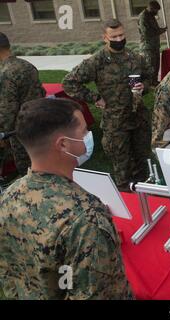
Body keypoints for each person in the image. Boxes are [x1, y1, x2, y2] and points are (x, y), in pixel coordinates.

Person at [0, 98, 132, 299]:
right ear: (63, 144)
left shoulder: (9, 195)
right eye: (85, 131)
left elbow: (10, 271)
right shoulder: (86, 218)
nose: (88, 136)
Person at [63, 19, 152, 191]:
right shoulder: (97, 61)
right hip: (116, 122)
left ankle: (146, 192)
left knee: (142, 161)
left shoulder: (135, 58)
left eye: (121, 35)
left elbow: (149, 77)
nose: (119, 39)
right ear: (105, 37)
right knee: (121, 165)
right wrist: (95, 97)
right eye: (114, 36)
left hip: (138, 118)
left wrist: (144, 86)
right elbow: (69, 82)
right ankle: (127, 199)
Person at [0, 32, 46, 176]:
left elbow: (7, 110)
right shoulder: (27, 65)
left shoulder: (5, 74)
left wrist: (3, 136)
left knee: (28, 171)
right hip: (39, 123)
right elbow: (41, 91)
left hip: (20, 131)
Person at [138, 1, 167, 85]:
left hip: (154, 45)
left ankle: (154, 82)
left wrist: (160, 30)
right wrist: (160, 31)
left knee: (156, 64)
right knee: (150, 66)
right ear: (151, 8)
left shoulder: (151, 15)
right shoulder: (143, 17)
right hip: (147, 47)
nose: (157, 12)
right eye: (156, 10)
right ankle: (148, 84)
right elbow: (146, 33)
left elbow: (154, 29)